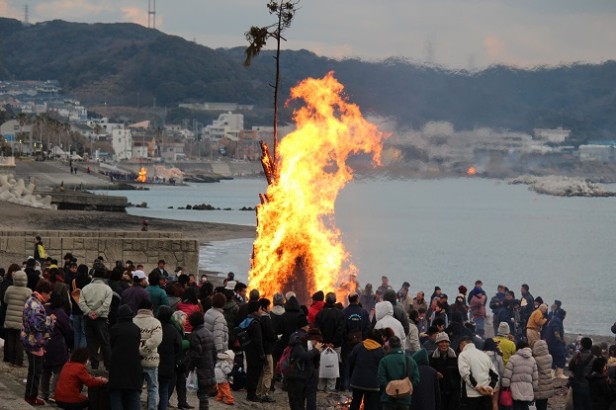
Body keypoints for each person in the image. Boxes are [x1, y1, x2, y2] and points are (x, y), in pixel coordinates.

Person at [21, 279, 56, 406]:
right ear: (44, 292)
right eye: (49, 294)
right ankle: (31, 396)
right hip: (34, 342)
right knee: (35, 371)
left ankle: (31, 395)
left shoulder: (32, 301)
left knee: (34, 370)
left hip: (31, 340)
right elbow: (37, 325)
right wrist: (51, 320)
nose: (50, 297)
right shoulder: (36, 305)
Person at [285, 315, 324, 410]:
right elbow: (304, 356)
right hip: (297, 376)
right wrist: (316, 350)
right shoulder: (299, 342)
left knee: (300, 401)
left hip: (303, 375)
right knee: (298, 402)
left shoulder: (298, 339)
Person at [78, 265, 113, 371]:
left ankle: (94, 366)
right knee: (105, 342)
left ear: (93, 275)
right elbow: (106, 305)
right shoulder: (108, 289)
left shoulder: (85, 288)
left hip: (88, 318)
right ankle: (108, 365)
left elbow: (81, 302)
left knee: (91, 343)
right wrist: (97, 313)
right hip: (101, 319)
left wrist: (89, 312)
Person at [41, 291, 73, 403]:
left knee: (45, 370)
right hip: (57, 345)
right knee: (59, 370)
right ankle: (53, 393)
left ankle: (43, 393)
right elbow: (68, 330)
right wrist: (70, 345)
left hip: (44, 343)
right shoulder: (60, 313)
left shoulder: (43, 310)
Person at [109, 305, 142, 410]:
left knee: (116, 394)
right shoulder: (136, 329)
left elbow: (111, 345)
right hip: (134, 365)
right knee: (134, 395)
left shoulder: (114, 329)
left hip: (117, 365)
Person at [133, 299, 163, 410]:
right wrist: (144, 350)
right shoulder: (155, 322)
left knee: (136, 388)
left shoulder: (132, 321)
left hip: (135, 360)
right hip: (151, 360)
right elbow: (156, 339)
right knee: (153, 387)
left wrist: (139, 352)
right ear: (151, 308)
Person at [377, 335, 420, 410]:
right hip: (405, 400)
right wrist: (407, 387)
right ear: (400, 346)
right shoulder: (410, 360)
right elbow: (416, 379)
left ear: (389, 346)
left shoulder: (384, 360)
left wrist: (390, 387)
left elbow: (380, 378)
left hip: (388, 399)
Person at [348, 328, 386, 410]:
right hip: (373, 384)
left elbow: (351, 360)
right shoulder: (381, 351)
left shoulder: (358, 347)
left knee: (355, 402)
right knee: (370, 405)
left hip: (357, 381)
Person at [186, 312, 217, 410]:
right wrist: (213, 365)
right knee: (204, 393)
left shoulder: (195, 335)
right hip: (209, 367)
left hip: (200, 368)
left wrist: (190, 366)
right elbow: (214, 352)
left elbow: (196, 354)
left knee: (202, 394)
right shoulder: (209, 333)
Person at [457, 336, 499, 410]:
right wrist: (490, 387)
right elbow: (495, 375)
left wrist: (477, 387)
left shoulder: (463, 355)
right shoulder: (483, 355)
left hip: (470, 395)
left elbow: (466, 374)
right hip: (486, 395)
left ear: (462, 344)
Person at [315, 292, 345, 392]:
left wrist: (324, 342)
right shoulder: (340, 314)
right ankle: (330, 389)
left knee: (322, 366)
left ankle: (320, 388)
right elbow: (340, 330)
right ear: (335, 301)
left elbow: (317, 330)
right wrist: (333, 343)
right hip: (335, 346)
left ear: (326, 300)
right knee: (333, 367)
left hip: (322, 346)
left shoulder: (320, 314)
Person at [3, 267, 32, 366]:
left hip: (9, 318)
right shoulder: (28, 291)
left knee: (10, 340)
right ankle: (18, 361)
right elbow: (30, 305)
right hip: (21, 319)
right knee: (19, 341)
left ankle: (11, 360)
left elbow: (5, 300)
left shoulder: (9, 289)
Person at [501, 340, 538, 410]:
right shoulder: (532, 360)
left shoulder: (513, 358)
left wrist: (505, 385)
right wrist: (534, 387)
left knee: (516, 406)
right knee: (525, 406)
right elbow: (535, 377)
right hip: (528, 388)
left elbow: (507, 374)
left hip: (515, 389)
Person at [157, 306, 181, 410]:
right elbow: (178, 347)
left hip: (154, 362)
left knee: (152, 388)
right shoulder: (174, 331)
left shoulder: (156, 327)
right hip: (168, 363)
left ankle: (151, 406)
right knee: (164, 389)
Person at [429, 332, 461, 410]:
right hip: (439, 392)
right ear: (437, 344)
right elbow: (429, 373)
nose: (444, 344)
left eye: (446, 342)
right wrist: (435, 374)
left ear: (449, 343)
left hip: (454, 393)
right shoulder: (431, 358)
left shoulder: (456, 357)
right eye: (441, 342)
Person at [568, 336, 595, 410]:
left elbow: (570, 367)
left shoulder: (577, 355)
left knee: (577, 405)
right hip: (589, 384)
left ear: (582, 345)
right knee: (588, 405)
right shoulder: (594, 357)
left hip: (577, 382)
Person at [69, 264, 90, 349]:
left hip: (75, 310)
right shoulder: (89, 281)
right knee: (84, 333)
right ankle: (80, 354)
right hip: (85, 310)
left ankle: (75, 352)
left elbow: (71, 296)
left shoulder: (73, 281)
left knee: (76, 333)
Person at [482, 339, 504, 410]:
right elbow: (501, 371)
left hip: (484, 382)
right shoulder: (498, 357)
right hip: (495, 383)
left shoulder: (481, 356)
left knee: (484, 403)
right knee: (495, 402)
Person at [531, 340, 554, 410]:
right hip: (547, 384)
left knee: (538, 405)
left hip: (540, 385)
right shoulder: (550, 357)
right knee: (544, 404)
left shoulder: (536, 359)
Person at [546, 309, 568, 379]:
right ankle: (559, 373)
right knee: (562, 357)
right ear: (563, 315)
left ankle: (552, 374)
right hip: (555, 343)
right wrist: (561, 341)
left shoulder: (554, 319)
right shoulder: (557, 320)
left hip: (550, 342)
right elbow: (556, 332)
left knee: (553, 358)